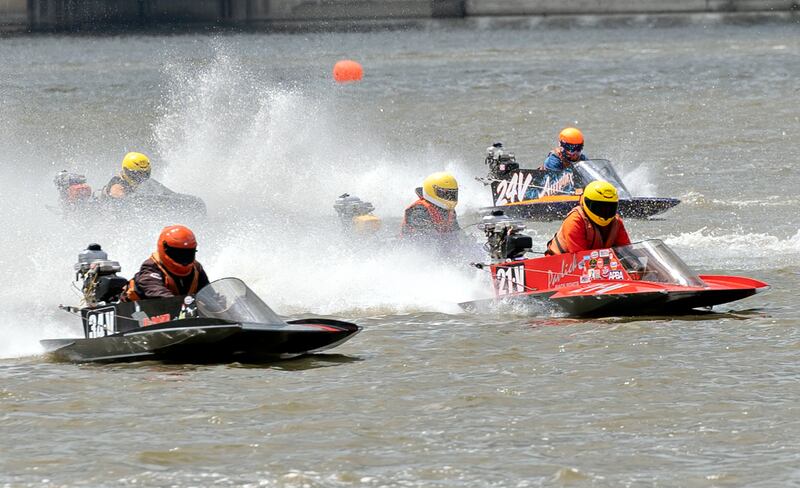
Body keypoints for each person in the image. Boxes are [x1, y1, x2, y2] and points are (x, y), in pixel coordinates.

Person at [121, 225, 210, 301]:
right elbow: (156, 292)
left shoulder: (196, 268)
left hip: (176, 316)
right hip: (136, 316)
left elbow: (209, 294)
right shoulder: (151, 267)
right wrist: (181, 305)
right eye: (178, 253)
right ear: (165, 248)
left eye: (188, 253)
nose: (184, 258)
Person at [545, 180, 631, 255]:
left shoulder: (616, 222)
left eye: (610, 207)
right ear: (586, 202)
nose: (605, 212)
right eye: (599, 207)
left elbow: (627, 251)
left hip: (598, 266)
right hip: (560, 267)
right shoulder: (575, 221)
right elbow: (580, 257)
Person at [401, 171, 460, 238]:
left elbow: (456, 234)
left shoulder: (449, 211)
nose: (449, 197)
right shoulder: (419, 211)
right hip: (414, 246)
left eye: (452, 194)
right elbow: (426, 239)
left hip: (440, 245)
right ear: (431, 191)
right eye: (445, 193)